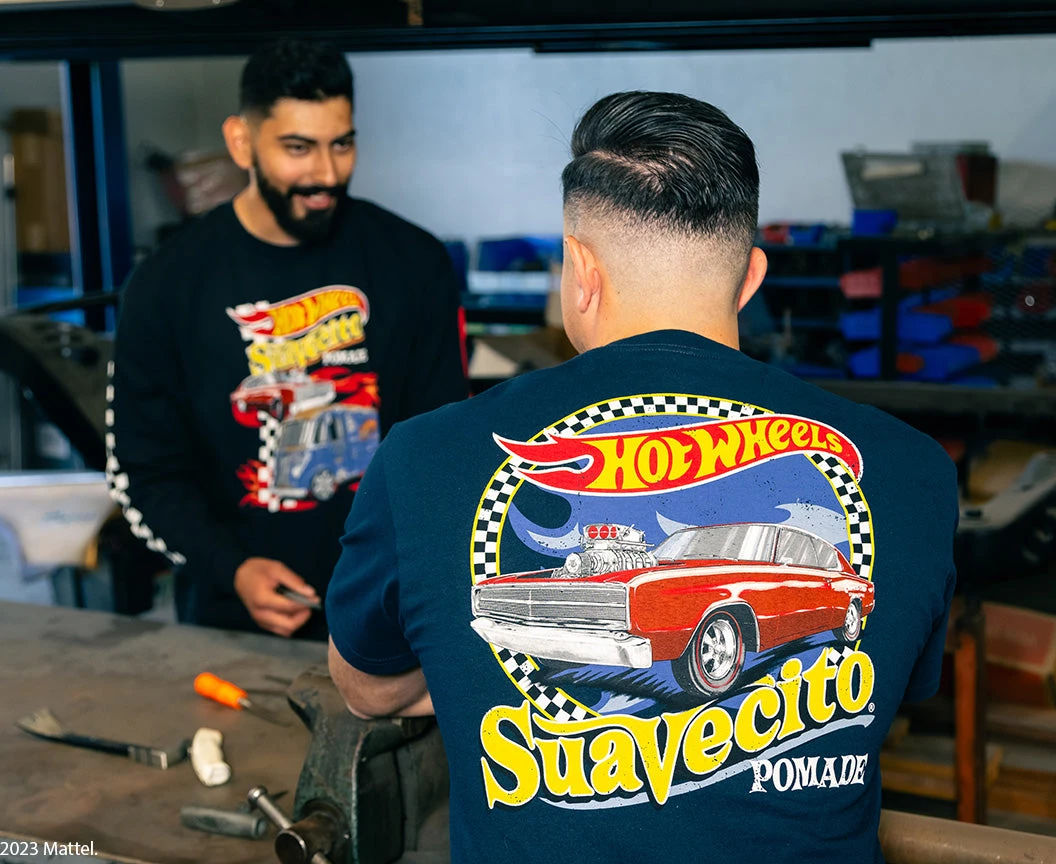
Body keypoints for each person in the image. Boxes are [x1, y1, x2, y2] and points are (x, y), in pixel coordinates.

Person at [325, 91, 958, 862]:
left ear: (578, 271)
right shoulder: (917, 472)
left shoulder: (421, 458)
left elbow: (366, 687)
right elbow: (892, 689)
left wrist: (463, 676)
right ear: (751, 277)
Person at [107, 40, 467, 641]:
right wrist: (232, 569)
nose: (324, 174)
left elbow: (443, 445)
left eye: (341, 144)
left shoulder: (414, 262)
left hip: (394, 612)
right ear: (242, 142)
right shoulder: (165, 284)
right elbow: (143, 472)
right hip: (232, 623)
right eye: (298, 148)